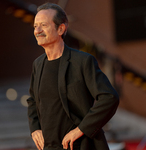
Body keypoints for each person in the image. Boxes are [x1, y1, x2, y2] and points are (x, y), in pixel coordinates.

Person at [27, 2, 119, 150]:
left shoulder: (82, 61)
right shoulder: (37, 64)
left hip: (80, 145)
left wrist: (81, 129)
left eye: (43, 25)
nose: (37, 30)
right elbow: (32, 100)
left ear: (61, 28)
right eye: (35, 26)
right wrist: (35, 128)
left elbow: (109, 97)